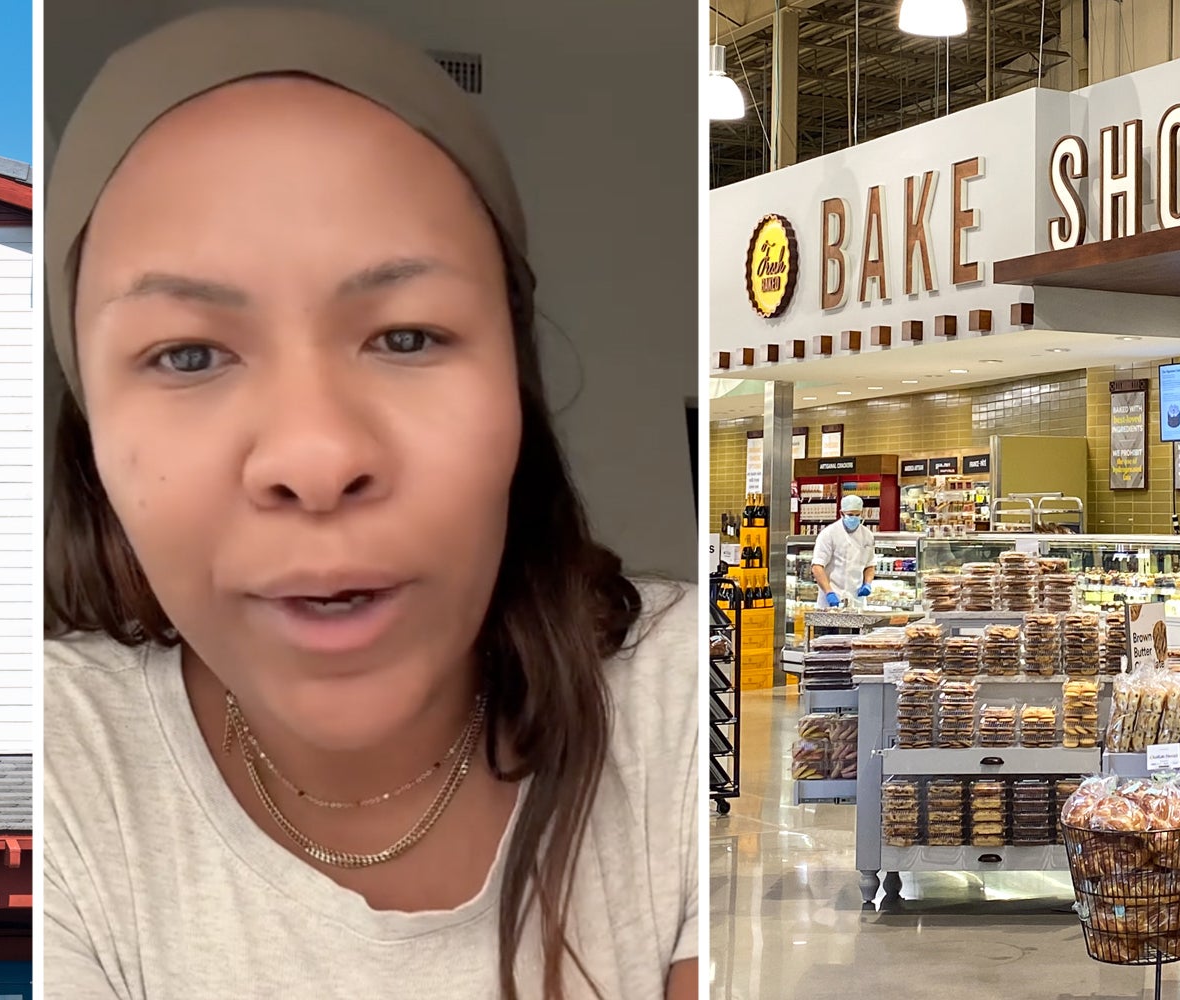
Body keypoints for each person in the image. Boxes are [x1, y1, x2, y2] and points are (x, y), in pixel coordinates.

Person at [41, 8, 698, 1000]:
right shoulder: (33, 775)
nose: (316, 457)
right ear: (90, 429)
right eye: (188, 354)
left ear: (513, 386)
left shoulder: (691, 702)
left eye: (405, 337)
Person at [811, 495, 876, 608]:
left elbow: (870, 565)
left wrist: (867, 584)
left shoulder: (867, 535)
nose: (854, 518)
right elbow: (817, 566)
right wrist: (829, 592)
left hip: (856, 599)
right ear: (841, 513)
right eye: (850, 515)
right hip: (832, 597)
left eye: (857, 515)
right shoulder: (829, 534)